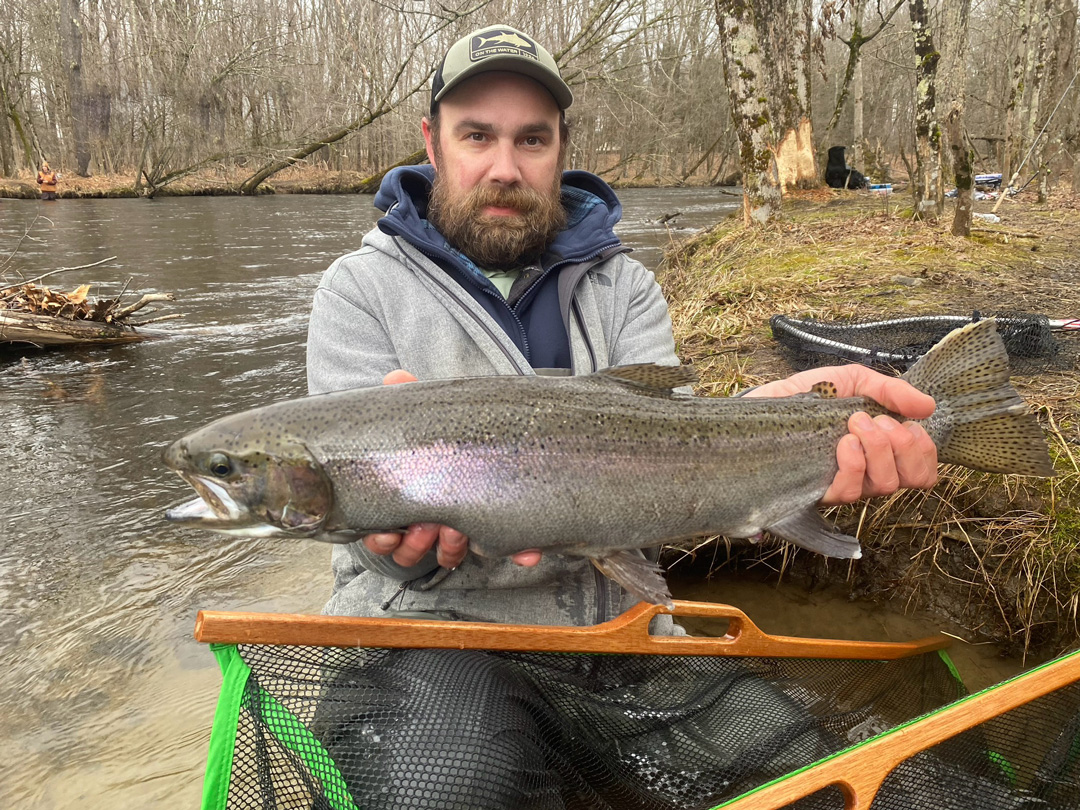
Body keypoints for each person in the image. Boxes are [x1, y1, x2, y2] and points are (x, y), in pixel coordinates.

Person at [304, 24, 938, 807]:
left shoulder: (625, 287)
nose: (505, 167)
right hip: (428, 640)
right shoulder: (357, 292)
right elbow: (362, 544)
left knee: (835, 783)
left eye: (532, 139)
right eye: (478, 136)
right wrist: (398, 548)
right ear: (432, 144)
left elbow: (669, 447)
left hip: (624, 637)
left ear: (561, 148)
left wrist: (783, 432)